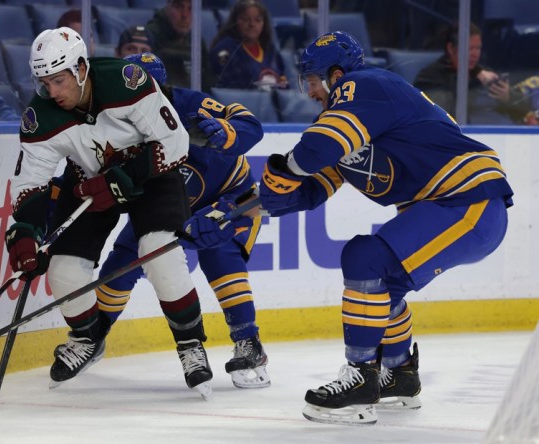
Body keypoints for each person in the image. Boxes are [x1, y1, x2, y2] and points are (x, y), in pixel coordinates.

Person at [200, 31, 512, 425]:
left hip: (468, 200)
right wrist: (229, 211)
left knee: (366, 258)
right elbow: (310, 190)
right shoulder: (354, 114)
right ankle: (398, 374)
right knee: (382, 286)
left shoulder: (365, 85)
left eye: (312, 80)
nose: (309, 91)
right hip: (452, 205)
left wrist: (283, 171)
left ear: (334, 75)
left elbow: (312, 153)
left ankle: (359, 380)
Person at [5, 28, 213, 398]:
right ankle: (88, 339)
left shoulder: (126, 82)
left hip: (152, 175)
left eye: (59, 80)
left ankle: (190, 344)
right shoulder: (40, 116)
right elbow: (30, 183)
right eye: (44, 82)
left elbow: (175, 141)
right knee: (63, 270)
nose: (52, 92)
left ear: (81, 68)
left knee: (158, 252)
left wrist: (128, 176)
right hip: (88, 181)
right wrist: (24, 234)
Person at [93, 52, 269, 389]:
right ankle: (95, 333)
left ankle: (249, 341)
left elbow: (251, 127)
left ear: (164, 92)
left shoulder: (193, 106)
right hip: (164, 206)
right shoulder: (118, 124)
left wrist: (225, 133)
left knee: (221, 255)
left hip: (227, 200)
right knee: (124, 260)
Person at [413, 22, 513, 124]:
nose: (475, 54)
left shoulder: (485, 73)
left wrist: (508, 98)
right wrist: (474, 82)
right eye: (470, 48)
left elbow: (520, 111)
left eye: (478, 48)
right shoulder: (429, 77)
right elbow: (444, 112)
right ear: (451, 48)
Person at [208, 0, 288, 90]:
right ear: (234, 21)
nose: (252, 24)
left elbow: (284, 83)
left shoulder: (270, 49)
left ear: (264, 23)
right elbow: (228, 90)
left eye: (258, 20)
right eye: (245, 19)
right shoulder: (224, 50)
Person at [146, 0, 215, 90]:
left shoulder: (196, 40)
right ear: (167, 7)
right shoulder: (151, 35)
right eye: (178, 7)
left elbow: (207, 82)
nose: (184, 15)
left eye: (190, 8)